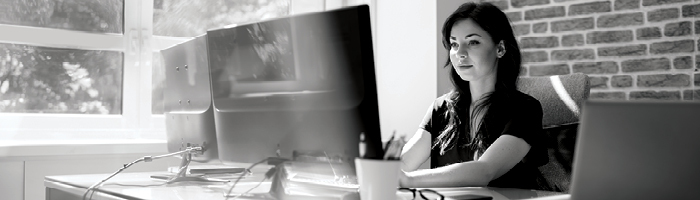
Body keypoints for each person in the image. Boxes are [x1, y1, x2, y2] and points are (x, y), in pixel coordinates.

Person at [399, 2, 549, 190]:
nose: (459, 53)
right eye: (454, 44)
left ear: (500, 48)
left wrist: (409, 181)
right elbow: (403, 164)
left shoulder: (525, 109)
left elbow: (484, 171)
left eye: (473, 42)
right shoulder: (441, 108)